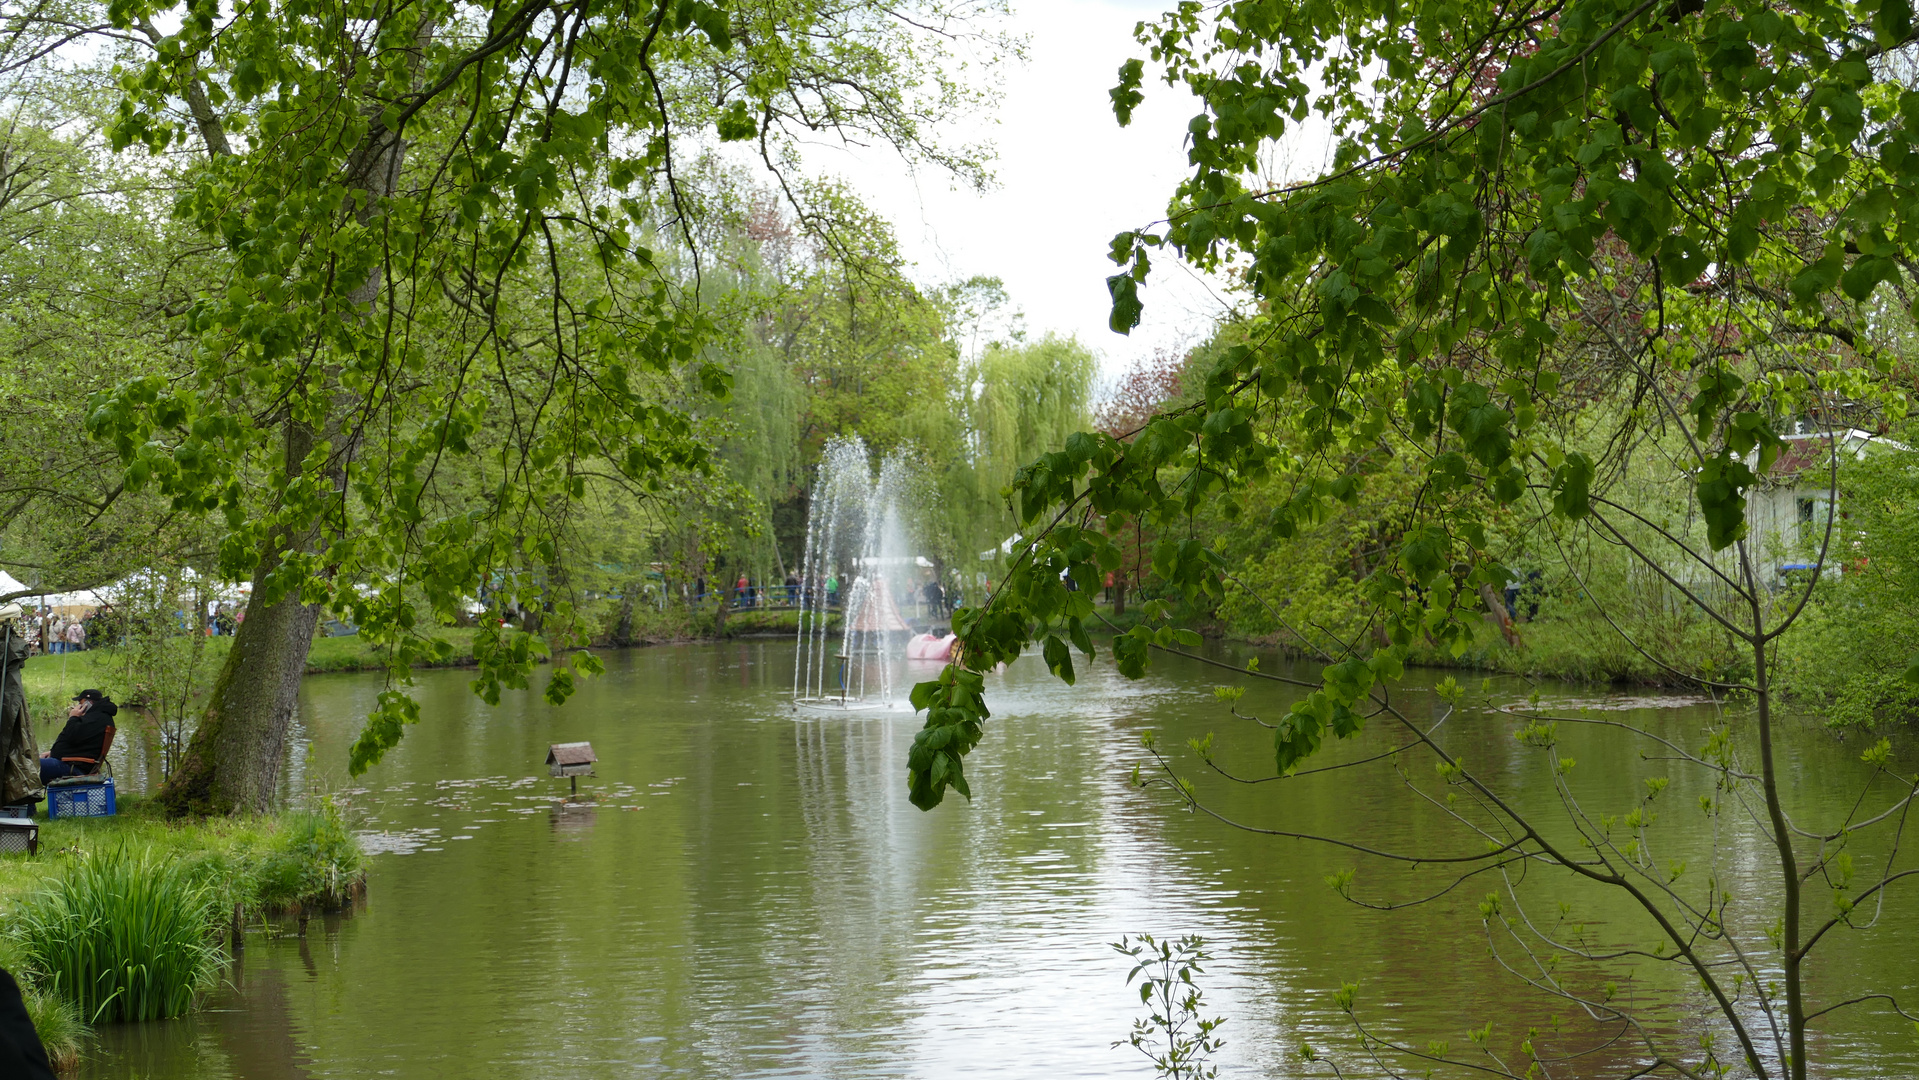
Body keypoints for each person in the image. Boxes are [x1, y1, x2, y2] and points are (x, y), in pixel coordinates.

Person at [40, 689, 116, 783]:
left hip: (73, 768)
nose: (78, 706)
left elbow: (71, 735)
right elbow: (77, 742)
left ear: (88, 703)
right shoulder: (97, 717)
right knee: (29, 765)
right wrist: (52, 752)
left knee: (29, 766)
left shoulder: (96, 719)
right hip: (72, 764)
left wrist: (73, 717)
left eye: (80, 703)